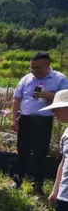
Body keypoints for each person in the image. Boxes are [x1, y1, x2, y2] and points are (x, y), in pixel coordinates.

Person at [11, 52, 68, 195]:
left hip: (43, 121)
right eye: (32, 68)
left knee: (40, 153)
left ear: (48, 65)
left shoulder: (59, 79)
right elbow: (16, 99)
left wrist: (49, 96)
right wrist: (13, 118)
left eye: (38, 69)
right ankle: (18, 179)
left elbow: (65, 98)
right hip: (25, 119)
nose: (35, 72)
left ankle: (38, 184)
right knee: (22, 150)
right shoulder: (26, 79)